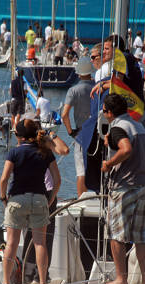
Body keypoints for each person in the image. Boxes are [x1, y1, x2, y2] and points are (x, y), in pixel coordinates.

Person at [0, 119, 61, 284]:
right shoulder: (45, 152)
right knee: (40, 243)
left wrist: (3, 197)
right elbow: (57, 180)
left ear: (19, 136)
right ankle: (42, 282)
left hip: (17, 199)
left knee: (11, 243)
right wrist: (50, 198)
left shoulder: (14, 152)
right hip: (40, 199)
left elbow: (4, 179)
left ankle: (6, 283)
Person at [100, 93, 145, 284]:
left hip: (124, 186)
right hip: (144, 185)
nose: (104, 114)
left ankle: (121, 280)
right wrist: (111, 142)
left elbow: (126, 149)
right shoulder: (139, 126)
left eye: (104, 111)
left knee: (116, 234)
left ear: (110, 112)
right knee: (140, 236)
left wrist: (108, 163)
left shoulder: (117, 127)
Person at [62, 57, 95, 197]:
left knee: (81, 170)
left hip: (81, 134)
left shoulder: (73, 90)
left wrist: (70, 132)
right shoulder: (98, 87)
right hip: (98, 132)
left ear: (78, 73)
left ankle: (82, 199)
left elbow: (64, 115)